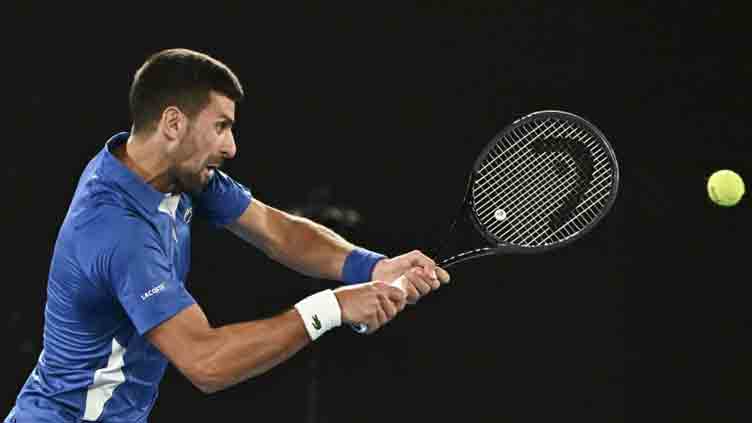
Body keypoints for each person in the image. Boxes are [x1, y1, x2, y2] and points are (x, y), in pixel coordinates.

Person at [4, 48, 449, 423]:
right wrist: (330, 307)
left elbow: (276, 230)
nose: (232, 146)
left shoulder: (169, 172)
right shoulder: (117, 231)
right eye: (221, 126)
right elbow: (206, 362)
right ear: (173, 123)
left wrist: (372, 265)